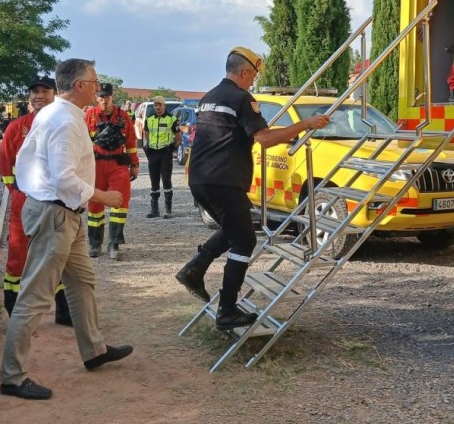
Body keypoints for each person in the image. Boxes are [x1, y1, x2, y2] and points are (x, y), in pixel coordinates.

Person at [0, 58, 133, 401]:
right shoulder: (63, 120)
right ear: (79, 86)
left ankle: (94, 350)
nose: (97, 85)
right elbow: (63, 178)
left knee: (82, 282)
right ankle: (12, 377)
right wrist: (105, 195)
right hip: (54, 214)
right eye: (94, 80)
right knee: (35, 297)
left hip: (63, 215)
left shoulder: (60, 115)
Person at [174, 47, 330, 330]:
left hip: (200, 178)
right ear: (245, 72)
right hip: (224, 180)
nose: (253, 82)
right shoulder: (242, 98)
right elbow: (266, 139)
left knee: (235, 227)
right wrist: (304, 124)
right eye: (254, 76)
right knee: (244, 240)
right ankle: (227, 310)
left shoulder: (210, 97)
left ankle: (194, 270)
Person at [0, 75, 72, 326]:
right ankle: (13, 310)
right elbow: (5, 165)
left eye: (45, 91)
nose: (39, 96)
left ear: (55, 94)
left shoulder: (65, 124)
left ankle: (63, 311)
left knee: (57, 255)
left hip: (56, 203)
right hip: (24, 202)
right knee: (18, 254)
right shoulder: (16, 128)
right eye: (35, 91)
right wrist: (17, 192)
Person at [84, 83, 139, 261]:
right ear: (96, 98)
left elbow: (130, 142)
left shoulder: (123, 116)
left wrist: (135, 165)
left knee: (120, 203)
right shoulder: (89, 116)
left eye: (107, 97)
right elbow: (81, 141)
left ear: (112, 97)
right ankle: (94, 243)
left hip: (117, 164)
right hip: (97, 164)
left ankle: (114, 243)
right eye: (101, 97)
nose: (104, 100)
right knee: (94, 205)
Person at [143, 95, 181, 219]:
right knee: (154, 181)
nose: (157, 107)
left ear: (164, 106)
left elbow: (178, 137)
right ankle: (154, 209)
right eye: (155, 105)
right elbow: (147, 134)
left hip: (165, 153)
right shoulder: (149, 119)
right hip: (153, 153)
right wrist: (149, 146)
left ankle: (168, 209)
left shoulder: (172, 119)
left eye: (159, 105)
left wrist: (172, 148)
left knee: (166, 180)